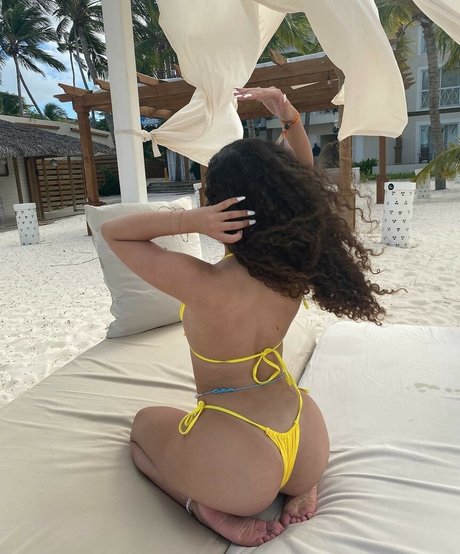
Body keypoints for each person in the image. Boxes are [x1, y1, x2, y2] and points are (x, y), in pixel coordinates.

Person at [100, 87, 392, 547]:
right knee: (275, 447)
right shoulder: (295, 264)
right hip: (306, 436)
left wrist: (188, 221)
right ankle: (302, 485)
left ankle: (207, 510)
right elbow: (303, 182)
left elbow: (114, 232)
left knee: (142, 428)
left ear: (220, 207)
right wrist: (289, 117)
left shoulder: (206, 284)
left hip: (242, 462)